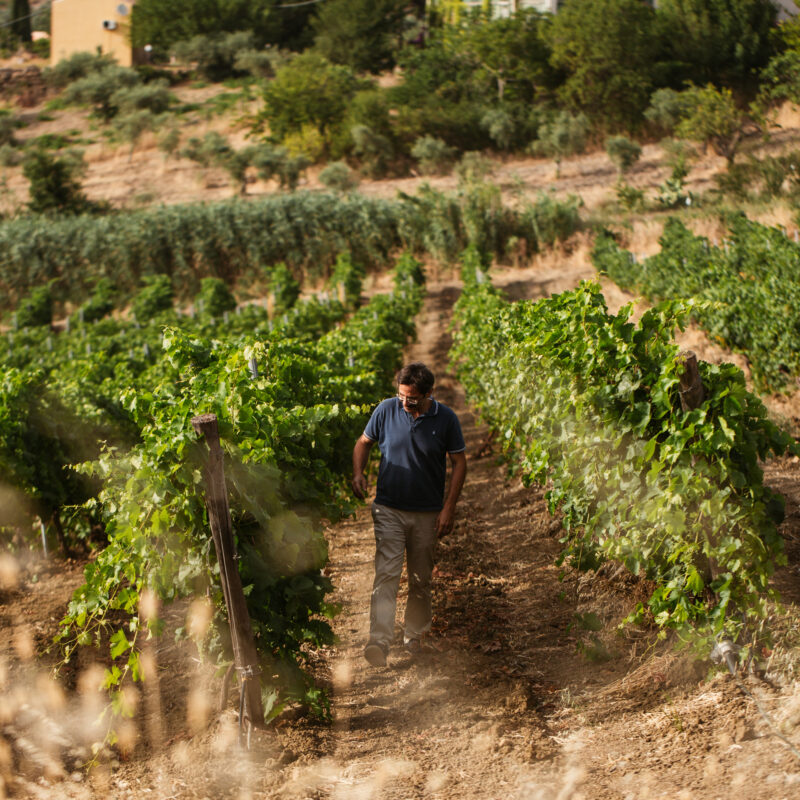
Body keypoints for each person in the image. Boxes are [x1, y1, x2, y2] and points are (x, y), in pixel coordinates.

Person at [351, 362, 467, 667]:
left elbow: (459, 463)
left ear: (429, 393)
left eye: (412, 398)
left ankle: (414, 635)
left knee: (419, 579)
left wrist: (449, 507)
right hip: (389, 508)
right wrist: (358, 473)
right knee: (387, 574)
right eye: (401, 395)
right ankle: (379, 639)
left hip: (427, 514)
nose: (404, 403)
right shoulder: (386, 410)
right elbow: (363, 442)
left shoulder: (446, 419)